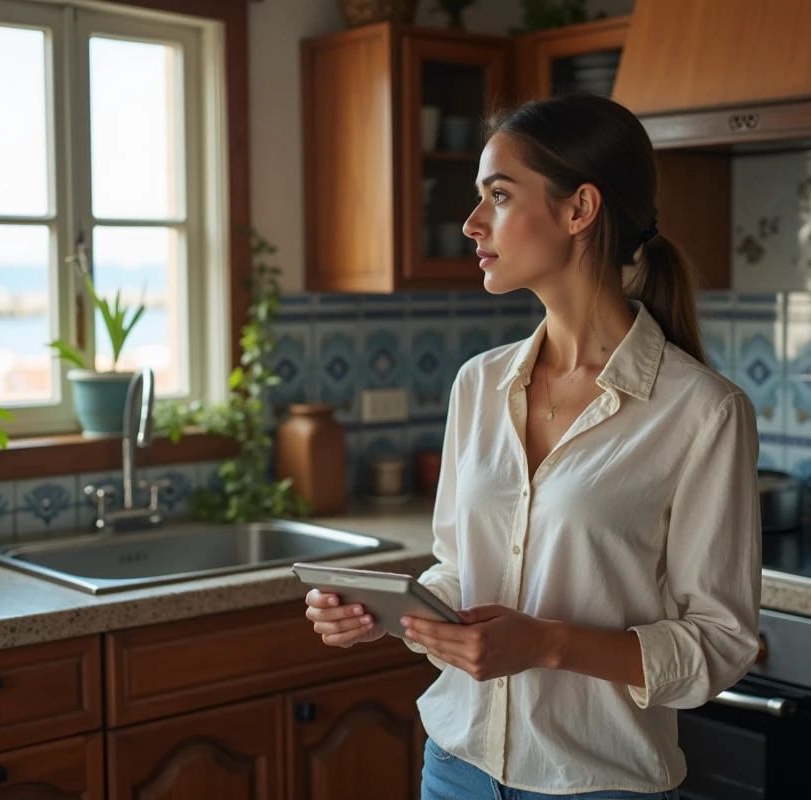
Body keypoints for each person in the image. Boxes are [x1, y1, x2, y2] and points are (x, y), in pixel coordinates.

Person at [303, 93, 761, 800]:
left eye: (499, 195)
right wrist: (389, 617)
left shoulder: (703, 411)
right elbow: (464, 575)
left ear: (579, 210)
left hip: (599, 783)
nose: (472, 223)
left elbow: (719, 644)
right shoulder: (478, 384)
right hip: (457, 766)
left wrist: (549, 644)